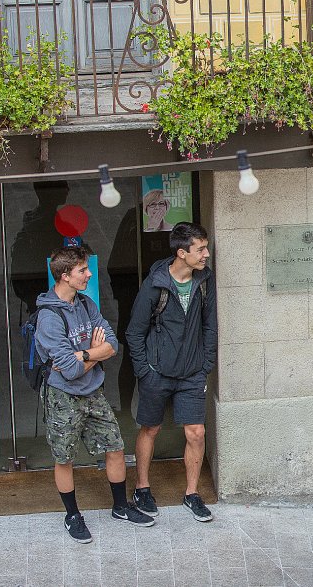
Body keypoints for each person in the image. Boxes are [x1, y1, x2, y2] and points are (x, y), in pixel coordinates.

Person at [35, 247, 154, 543]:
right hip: (62, 397)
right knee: (64, 458)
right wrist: (93, 355)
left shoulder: (86, 304)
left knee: (114, 446)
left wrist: (85, 353)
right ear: (65, 275)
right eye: (82, 270)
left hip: (93, 393)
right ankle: (72, 515)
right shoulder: (49, 317)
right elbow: (68, 370)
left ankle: (120, 507)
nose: (89, 274)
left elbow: (112, 344)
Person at [125, 222, 217, 522]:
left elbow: (210, 325)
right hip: (157, 372)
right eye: (200, 249)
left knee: (196, 432)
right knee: (150, 428)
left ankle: (192, 493)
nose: (206, 254)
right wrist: (145, 371)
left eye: (205, 247)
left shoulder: (204, 280)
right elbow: (134, 332)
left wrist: (205, 366)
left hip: (192, 372)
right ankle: (142, 487)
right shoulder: (156, 284)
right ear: (182, 252)